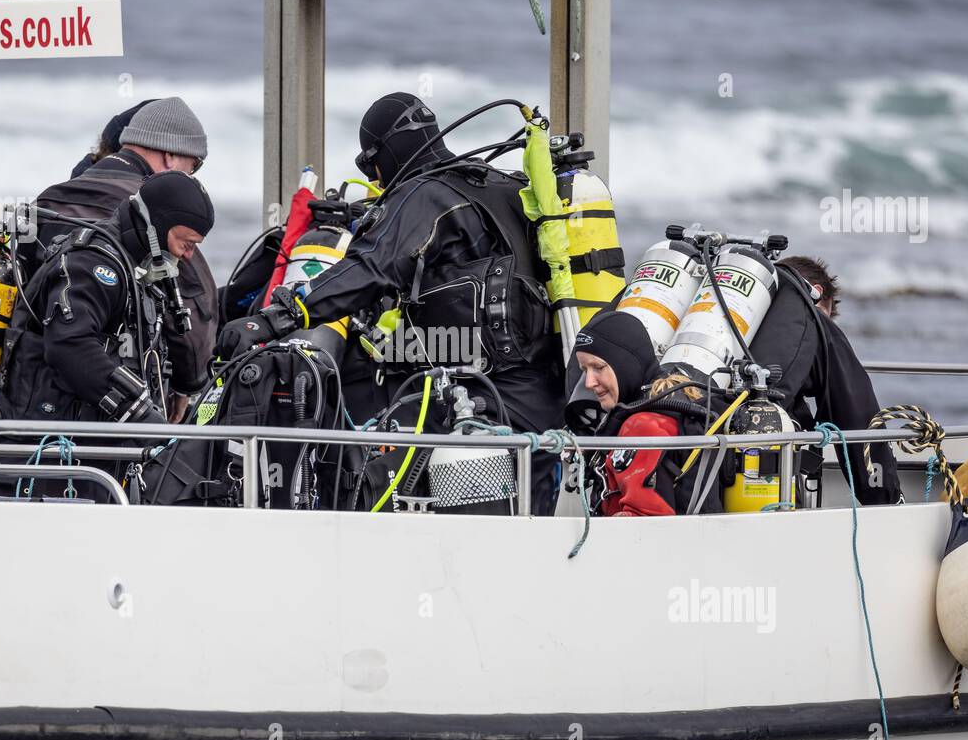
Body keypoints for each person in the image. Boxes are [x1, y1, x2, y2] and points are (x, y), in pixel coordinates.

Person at [216, 92, 566, 513]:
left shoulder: (425, 194)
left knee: (456, 530)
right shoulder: (505, 184)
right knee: (533, 526)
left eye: (372, 166)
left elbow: (371, 268)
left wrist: (278, 317)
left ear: (384, 153)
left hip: (478, 400)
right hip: (545, 396)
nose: (378, 182)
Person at [28, 97, 219, 420]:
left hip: (31, 402)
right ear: (170, 155)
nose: (193, 174)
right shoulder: (158, 212)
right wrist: (187, 387)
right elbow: (191, 317)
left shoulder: (47, 199)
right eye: (195, 164)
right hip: (114, 414)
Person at [0, 171, 215, 437]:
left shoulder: (136, 268)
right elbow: (70, 346)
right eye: (186, 244)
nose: (188, 255)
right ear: (156, 227)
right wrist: (142, 416)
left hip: (89, 444)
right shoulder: (91, 264)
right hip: (49, 449)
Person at [750, 255, 903, 505]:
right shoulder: (811, 320)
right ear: (817, 294)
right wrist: (886, 498)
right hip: (756, 482)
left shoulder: (736, 320)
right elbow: (855, 411)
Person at [571, 311, 719, 516]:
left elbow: (643, 526)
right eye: (584, 370)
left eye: (598, 367)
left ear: (625, 364)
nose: (589, 382)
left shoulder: (643, 426)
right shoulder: (665, 405)